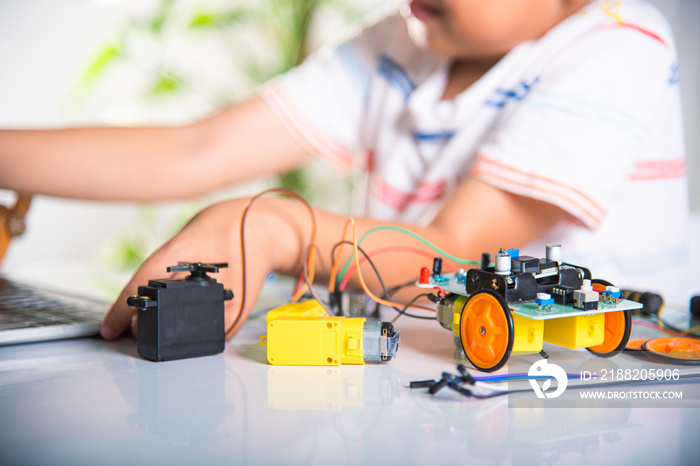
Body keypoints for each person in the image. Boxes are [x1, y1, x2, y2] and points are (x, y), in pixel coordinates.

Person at [0, 0, 690, 340]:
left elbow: (456, 254)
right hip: (430, 374)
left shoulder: (619, 47)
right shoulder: (401, 42)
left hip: (586, 395)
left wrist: (276, 226)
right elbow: (196, 151)